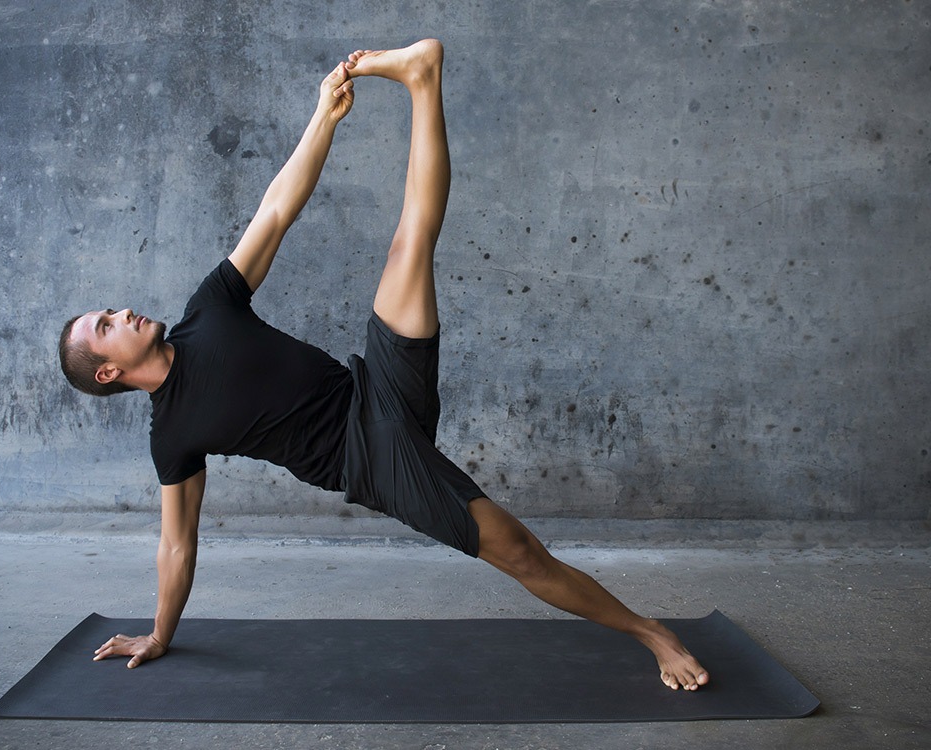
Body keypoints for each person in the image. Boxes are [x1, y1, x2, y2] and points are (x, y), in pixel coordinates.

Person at [59, 40, 709, 691]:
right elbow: (177, 545)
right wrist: (160, 633)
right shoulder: (172, 435)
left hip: (375, 386)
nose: (124, 314)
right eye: (107, 326)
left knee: (408, 246)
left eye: (112, 309)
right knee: (519, 552)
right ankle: (653, 633)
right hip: (368, 459)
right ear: (109, 372)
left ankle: (422, 76)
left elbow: (278, 206)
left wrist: (326, 114)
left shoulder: (209, 309)